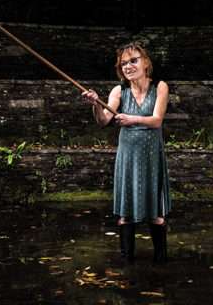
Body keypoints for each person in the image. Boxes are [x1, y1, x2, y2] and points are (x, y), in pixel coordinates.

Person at [81, 42, 171, 263]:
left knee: (156, 214)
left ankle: (160, 261)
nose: (128, 66)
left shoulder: (160, 87)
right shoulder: (118, 91)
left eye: (134, 60)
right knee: (126, 214)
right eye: (124, 63)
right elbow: (103, 120)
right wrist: (95, 104)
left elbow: (157, 120)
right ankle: (126, 260)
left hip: (151, 157)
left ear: (146, 62)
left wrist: (132, 119)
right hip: (128, 157)